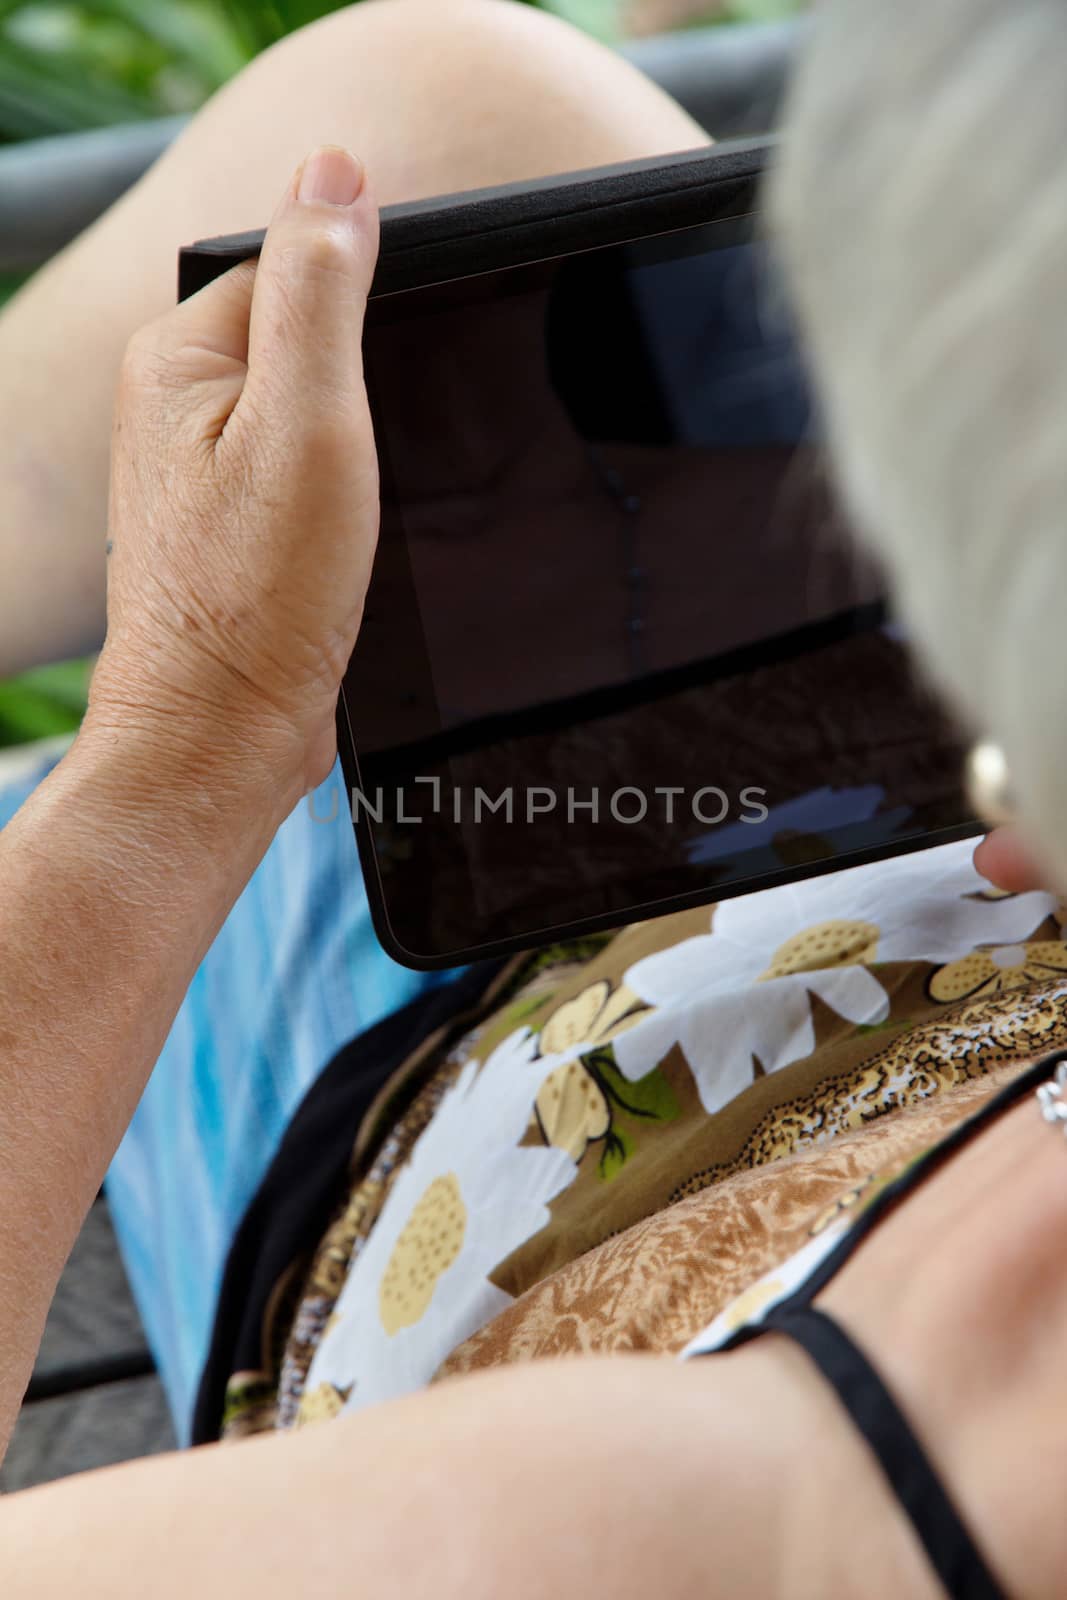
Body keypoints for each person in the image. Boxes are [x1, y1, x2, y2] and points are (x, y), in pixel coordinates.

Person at [0, 3, 1064, 1596]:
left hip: (361, 1105)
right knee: (451, 122)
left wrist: (175, 767)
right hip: (831, 868)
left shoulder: (781, 1501)